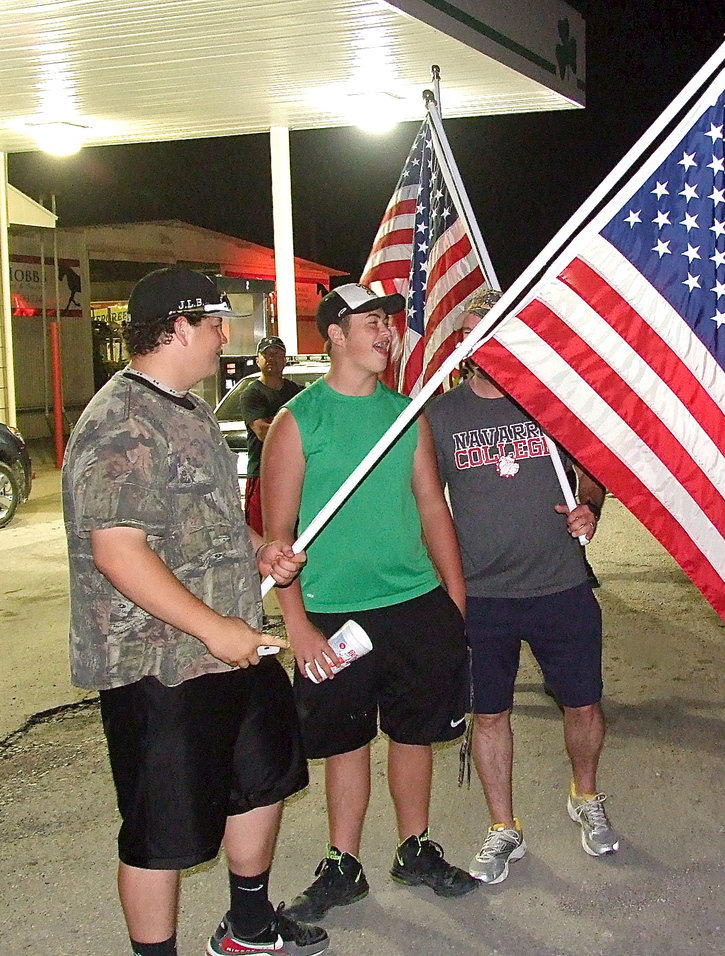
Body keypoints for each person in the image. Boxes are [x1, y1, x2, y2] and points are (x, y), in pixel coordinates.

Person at [62, 267, 325, 956]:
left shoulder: (191, 410)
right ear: (178, 328)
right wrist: (214, 630)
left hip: (232, 646)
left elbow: (209, 517)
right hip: (159, 666)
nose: (224, 336)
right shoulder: (120, 422)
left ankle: (249, 927)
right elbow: (118, 552)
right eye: (214, 323)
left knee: (262, 780)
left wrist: (260, 552)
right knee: (162, 832)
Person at [263, 283, 478, 923]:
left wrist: (455, 600)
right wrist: (297, 626)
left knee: (414, 733)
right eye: (372, 322)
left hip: (414, 602)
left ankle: (415, 848)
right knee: (346, 739)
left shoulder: (406, 415)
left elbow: (432, 506)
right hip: (333, 612)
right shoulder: (298, 421)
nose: (386, 333)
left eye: (388, 322)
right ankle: (343, 864)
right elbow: (278, 539)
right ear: (335, 334)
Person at [425, 288, 617, 886]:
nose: (484, 342)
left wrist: (589, 508)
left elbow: (594, 472)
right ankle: (503, 826)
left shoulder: (550, 402)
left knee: (583, 704)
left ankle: (585, 795)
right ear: (464, 344)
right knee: (489, 715)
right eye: (474, 332)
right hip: (481, 596)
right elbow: (425, 503)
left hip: (560, 584)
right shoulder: (440, 416)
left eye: (494, 329)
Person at [240, 336, 303, 534]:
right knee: (264, 536)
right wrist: (295, 429)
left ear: (285, 359)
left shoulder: (297, 393)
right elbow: (261, 432)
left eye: (276, 353)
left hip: (294, 474)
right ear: (257, 360)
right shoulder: (252, 394)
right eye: (266, 354)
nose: (271, 358)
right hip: (262, 475)